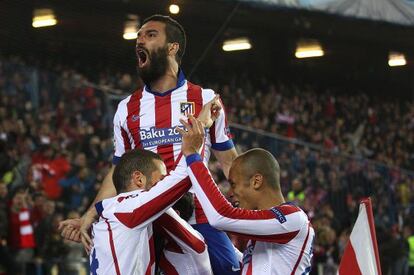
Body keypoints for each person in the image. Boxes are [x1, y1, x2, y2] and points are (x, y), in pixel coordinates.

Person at [60, 14, 240, 274]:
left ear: (172, 47)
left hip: (197, 211)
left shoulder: (205, 98)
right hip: (148, 217)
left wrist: (253, 209)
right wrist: (89, 215)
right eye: (138, 36)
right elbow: (119, 171)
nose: (139, 40)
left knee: (226, 268)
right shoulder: (126, 108)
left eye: (150, 34)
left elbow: (229, 161)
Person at [90, 115, 210, 275]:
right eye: (161, 179)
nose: (163, 184)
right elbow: (183, 176)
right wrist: (195, 144)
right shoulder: (130, 208)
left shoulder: (112, 212)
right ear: (139, 179)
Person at [180, 142, 315, 274]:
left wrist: (193, 156)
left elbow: (220, 216)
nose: (231, 193)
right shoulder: (265, 233)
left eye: (233, 184)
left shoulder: (294, 218)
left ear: (256, 181)